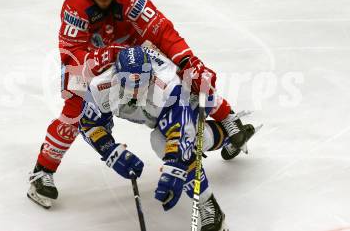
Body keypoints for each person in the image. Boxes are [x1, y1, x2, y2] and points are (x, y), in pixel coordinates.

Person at [27, 0, 251, 208]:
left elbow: (161, 30)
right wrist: (107, 55)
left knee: (190, 78)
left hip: (133, 58)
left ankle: (229, 121)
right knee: (74, 112)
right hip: (91, 64)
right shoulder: (74, 7)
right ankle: (42, 171)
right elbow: (72, 58)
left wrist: (188, 61)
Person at [79, 46, 256, 231]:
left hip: (188, 94)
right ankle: (232, 134)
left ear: (151, 76)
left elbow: (180, 136)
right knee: (169, 139)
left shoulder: (168, 87)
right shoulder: (100, 87)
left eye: (142, 83)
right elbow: (88, 124)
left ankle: (208, 205)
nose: (137, 91)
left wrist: (175, 168)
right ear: (117, 76)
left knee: (162, 142)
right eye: (131, 84)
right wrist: (110, 151)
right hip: (157, 112)